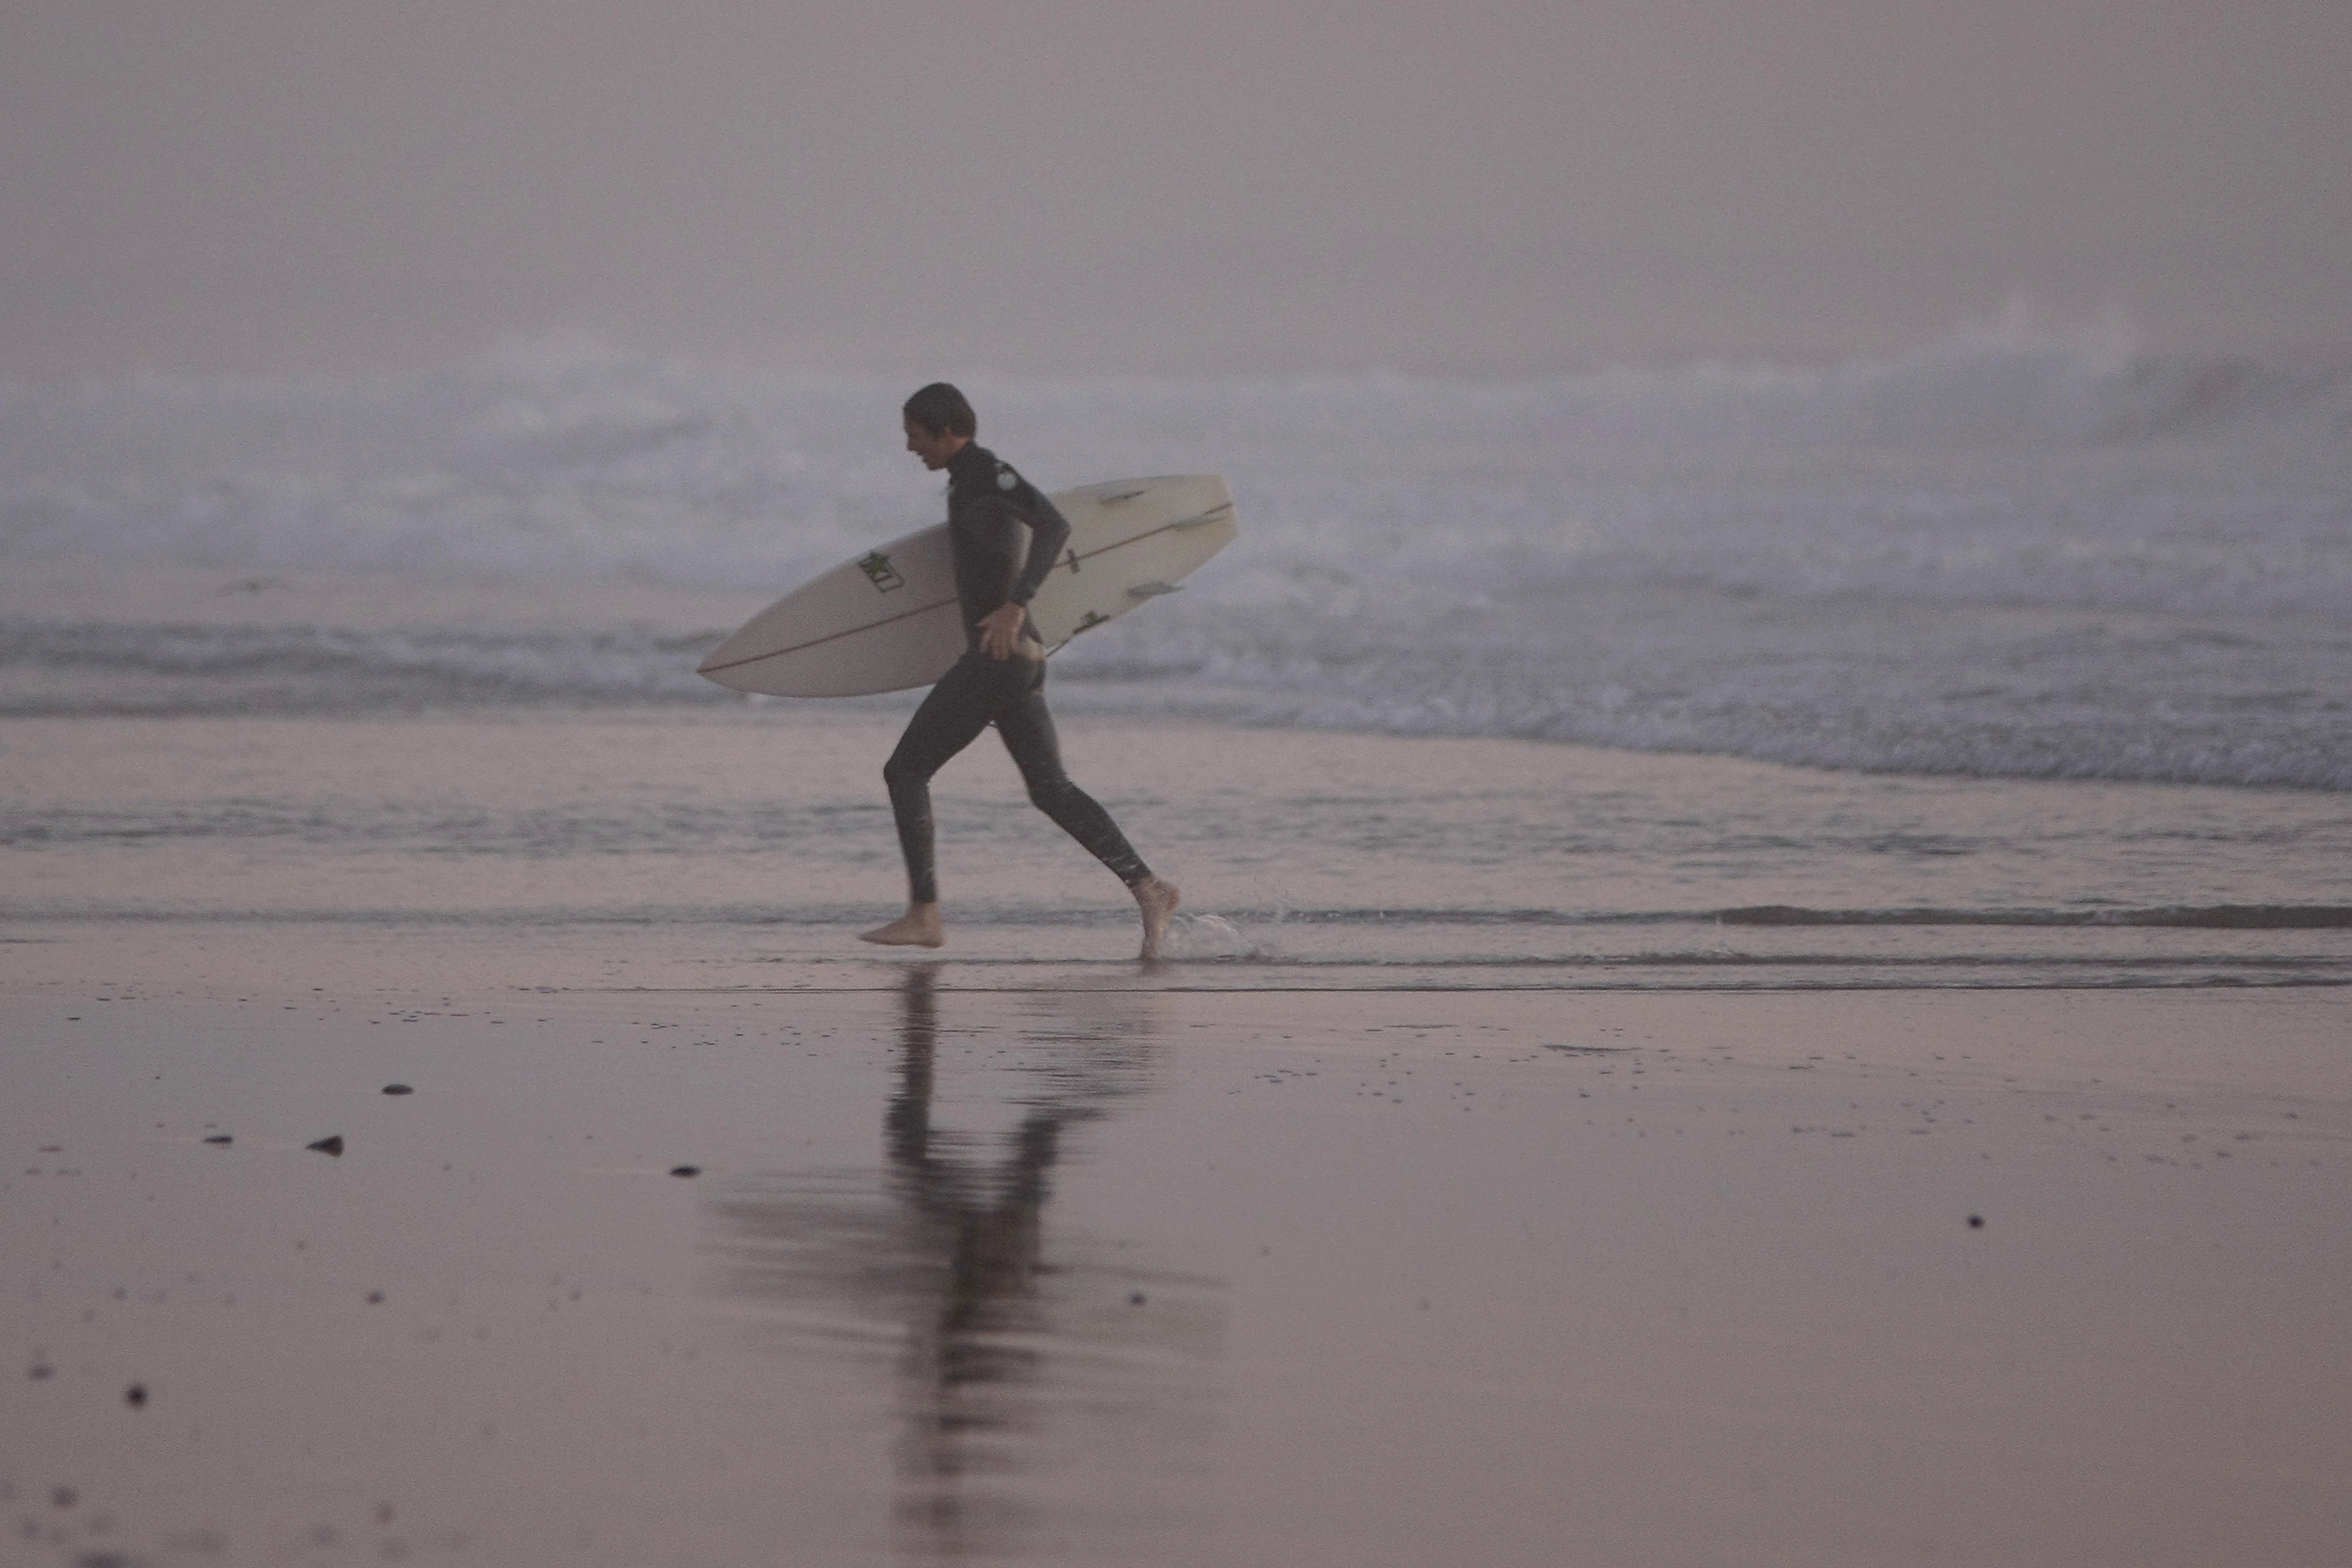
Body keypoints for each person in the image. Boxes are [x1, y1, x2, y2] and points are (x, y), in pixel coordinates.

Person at [859, 383, 1180, 959]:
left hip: (998, 658)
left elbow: (1054, 525)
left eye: (915, 435)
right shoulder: (966, 480)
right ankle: (1149, 888)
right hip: (1019, 662)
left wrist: (1015, 603)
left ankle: (925, 913)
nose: (909, 447)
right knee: (1050, 790)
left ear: (947, 432)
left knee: (905, 771)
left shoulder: (985, 472)